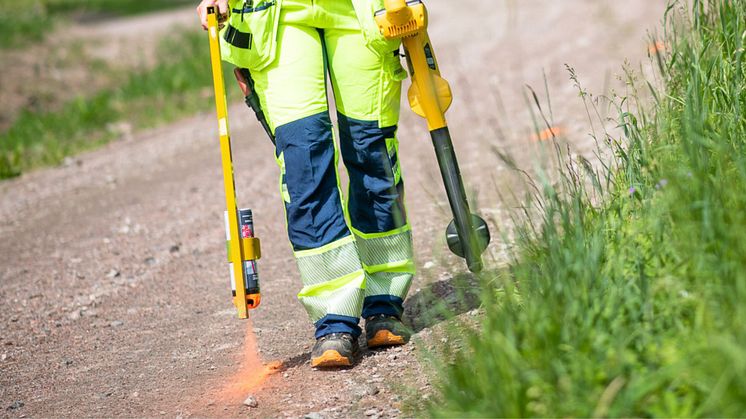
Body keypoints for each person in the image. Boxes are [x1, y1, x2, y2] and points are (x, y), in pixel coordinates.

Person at [197, 0, 415, 368]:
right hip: (275, 15)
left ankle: (384, 299)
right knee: (303, 163)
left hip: (359, 10)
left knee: (371, 149)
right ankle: (334, 316)